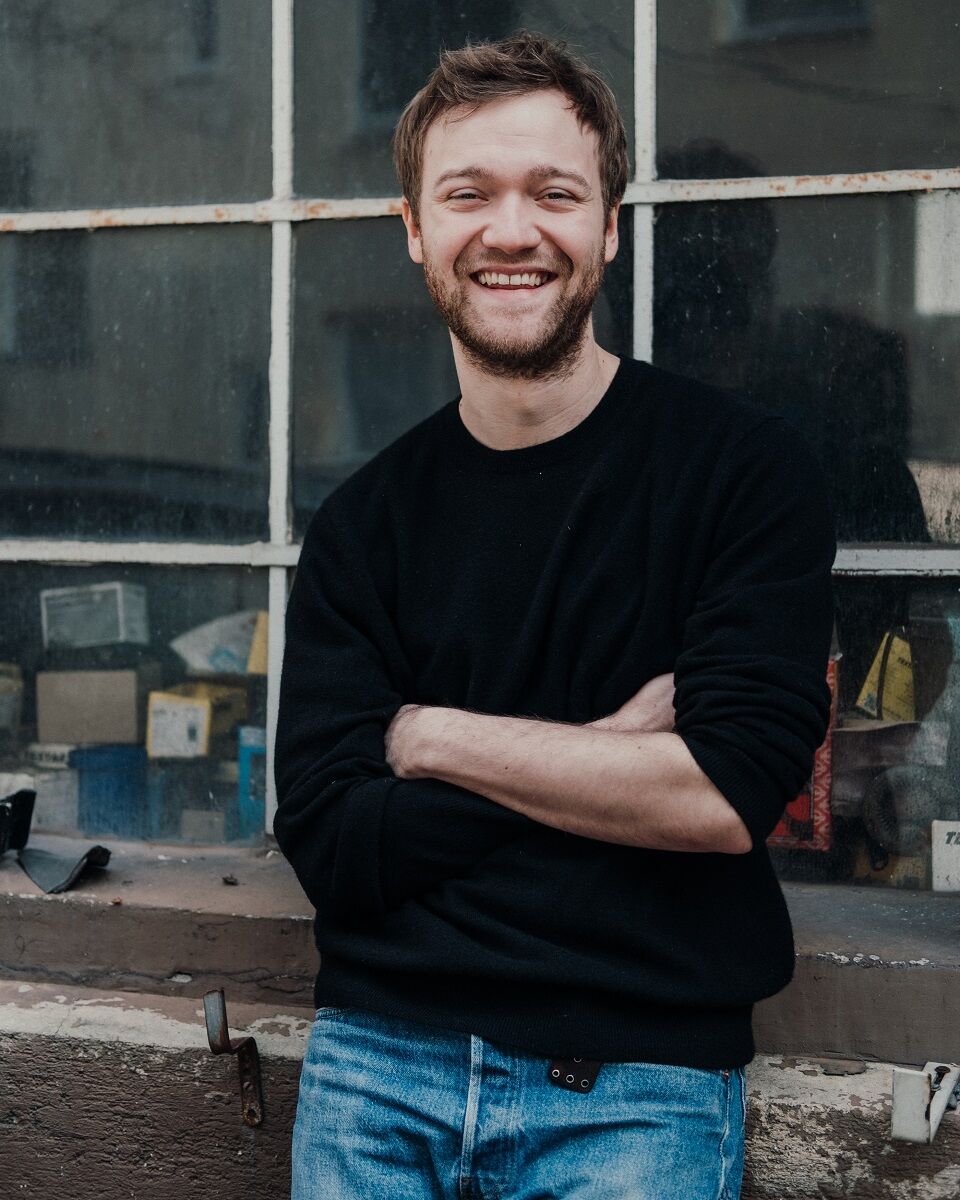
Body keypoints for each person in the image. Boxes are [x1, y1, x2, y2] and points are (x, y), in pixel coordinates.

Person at [274, 30, 834, 1200]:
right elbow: (334, 844)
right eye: (468, 194)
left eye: (555, 193)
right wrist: (607, 752)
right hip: (378, 1068)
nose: (512, 230)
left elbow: (722, 795)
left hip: (635, 1084)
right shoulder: (362, 526)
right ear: (416, 229)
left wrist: (427, 736)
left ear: (610, 226)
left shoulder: (741, 475)